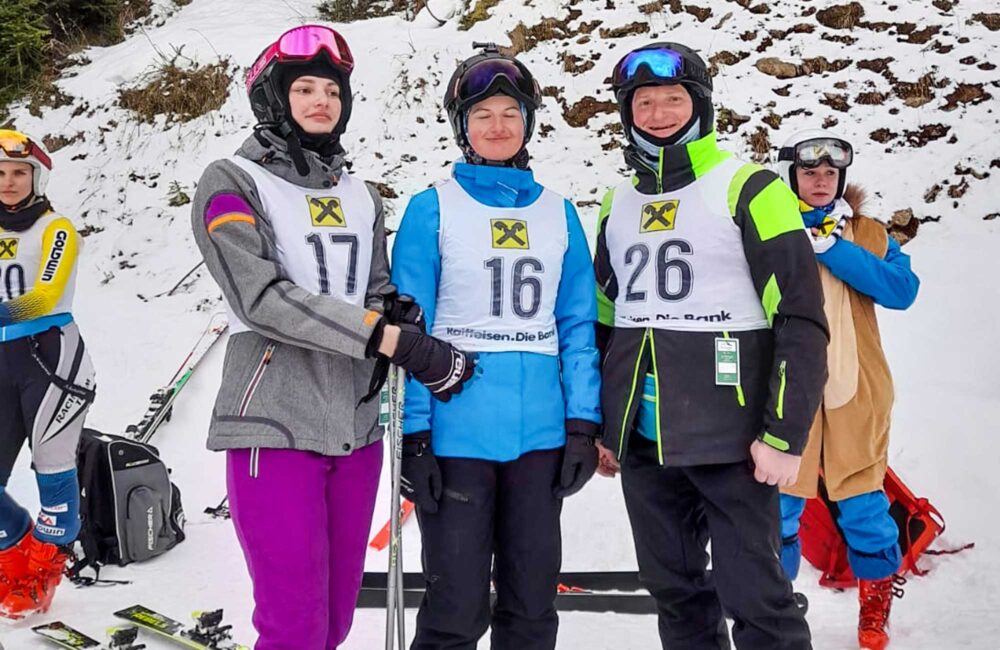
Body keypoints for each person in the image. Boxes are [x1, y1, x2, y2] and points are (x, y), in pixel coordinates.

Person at [189, 25, 474, 650]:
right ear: (273, 98)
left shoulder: (360, 194)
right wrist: (385, 338)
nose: (322, 102)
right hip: (275, 419)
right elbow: (260, 299)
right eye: (305, 89)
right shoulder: (232, 181)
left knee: (335, 620)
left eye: (333, 92)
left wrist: (392, 311)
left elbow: (371, 287)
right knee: (294, 623)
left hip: (355, 424)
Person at [592, 43, 829, 650]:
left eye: (673, 99)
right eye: (643, 102)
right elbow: (604, 319)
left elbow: (801, 319)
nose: (659, 113)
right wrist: (605, 422)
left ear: (700, 105)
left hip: (734, 440)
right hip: (647, 442)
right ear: (627, 113)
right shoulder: (617, 202)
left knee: (757, 598)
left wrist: (784, 433)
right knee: (675, 593)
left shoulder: (751, 188)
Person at [391, 43, 601, 650]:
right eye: (482, 115)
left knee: (532, 604)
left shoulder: (560, 214)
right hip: (456, 440)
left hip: (540, 441)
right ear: (463, 127)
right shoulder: (431, 210)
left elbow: (577, 327)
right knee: (454, 606)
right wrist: (415, 436)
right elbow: (410, 331)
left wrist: (583, 424)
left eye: (510, 112)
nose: (498, 126)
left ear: (529, 122)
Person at [774, 129, 919, 650]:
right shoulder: (768, 227)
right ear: (792, 175)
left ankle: (874, 607)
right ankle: (775, 606)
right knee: (780, 504)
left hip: (855, 386)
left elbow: (902, 291)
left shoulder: (869, 233)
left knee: (862, 502)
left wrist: (834, 249)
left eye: (830, 173)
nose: (820, 181)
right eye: (810, 172)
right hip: (787, 384)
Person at [0, 129, 96, 619]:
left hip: (51, 358)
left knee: (52, 466)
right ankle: (15, 558)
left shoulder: (55, 228)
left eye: (19, 172)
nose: (9, 182)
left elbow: (45, 297)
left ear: (35, 176)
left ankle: (45, 569)